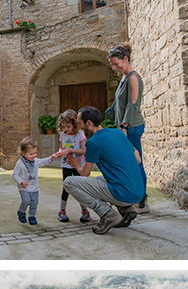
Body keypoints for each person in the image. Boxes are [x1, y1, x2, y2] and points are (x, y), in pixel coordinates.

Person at [63, 106, 145, 235]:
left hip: (123, 193)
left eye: (80, 124)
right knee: (99, 180)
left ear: (89, 123)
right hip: (138, 192)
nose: (79, 127)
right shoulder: (118, 132)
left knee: (69, 182)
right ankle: (126, 209)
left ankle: (108, 215)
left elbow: (85, 173)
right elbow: (138, 159)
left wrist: (77, 165)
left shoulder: (93, 142)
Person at [105, 43, 147, 212]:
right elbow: (118, 105)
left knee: (136, 162)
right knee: (129, 162)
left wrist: (124, 126)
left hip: (132, 127)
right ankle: (135, 195)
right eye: (112, 65)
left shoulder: (133, 77)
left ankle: (142, 199)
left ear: (126, 59)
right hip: (123, 127)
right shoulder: (124, 78)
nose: (115, 68)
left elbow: (133, 104)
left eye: (117, 64)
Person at [12, 137, 62, 225]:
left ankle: (32, 216)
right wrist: (21, 182)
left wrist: (51, 158)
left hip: (34, 187)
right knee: (26, 201)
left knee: (34, 203)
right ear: (23, 153)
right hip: (24, 188)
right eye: (31, 154)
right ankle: (21, 212)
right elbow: (15, 174)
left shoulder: (35, 161)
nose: (34, 155)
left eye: (35, 153)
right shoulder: (20, 163)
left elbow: (43, 161)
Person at [55, 110, 90, 223]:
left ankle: (85, 211)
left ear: (74, 124)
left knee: (79, 188)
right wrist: (60, 152)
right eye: (64, 126)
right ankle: (62, 211)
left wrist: (70, 150)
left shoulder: (80, 135)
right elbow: (61, 147)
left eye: (68, 126)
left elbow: (84, 150)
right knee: (66, 188)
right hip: (66, 165)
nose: (66, 129)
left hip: (78, 165)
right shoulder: (63, 135)